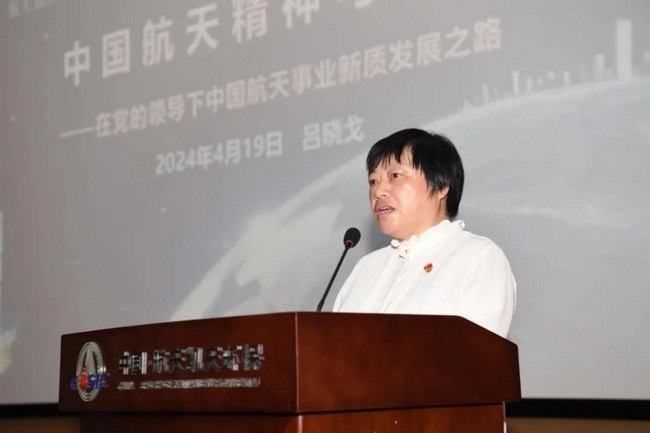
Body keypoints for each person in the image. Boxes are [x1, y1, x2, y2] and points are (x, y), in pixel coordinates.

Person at [333, 128, 516, 338]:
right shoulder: (365, 267)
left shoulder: (477, 257)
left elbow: (476, 353)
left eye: (395, 176)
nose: (378, 191)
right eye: (373, 181)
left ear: (442, 185)